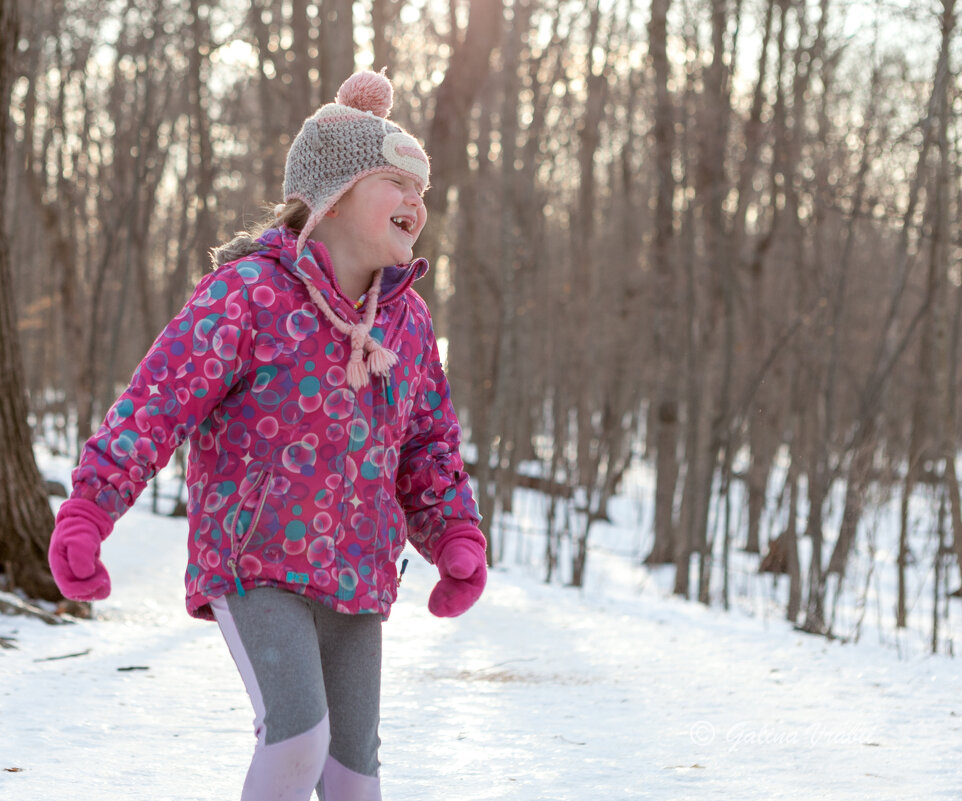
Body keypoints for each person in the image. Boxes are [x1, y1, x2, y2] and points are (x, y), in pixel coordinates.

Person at [47, 70, 488, 801]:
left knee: (354, 778)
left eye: (424, 191)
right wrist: (91, 509)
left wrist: (453, 538)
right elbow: (158, 400)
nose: (418, 203)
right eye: (398, 183)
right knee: (297, 739)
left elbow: (428, 444)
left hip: (357, 571)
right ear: (336, 193)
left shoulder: (405, 322)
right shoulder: (249, 293)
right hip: (256, 562)